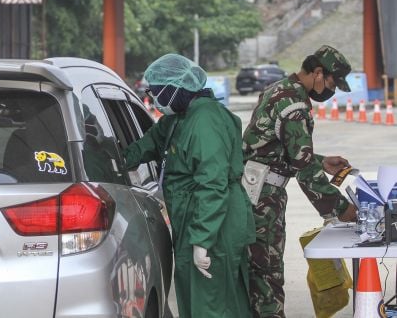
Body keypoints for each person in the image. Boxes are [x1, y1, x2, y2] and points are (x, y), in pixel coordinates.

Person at [123, 53, 255, 317]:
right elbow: (145, 147)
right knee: (198, 303)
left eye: (158, 92)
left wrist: (203, 241)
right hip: (193, 223)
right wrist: (104, 155)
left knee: (211, 307)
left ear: (176, 89)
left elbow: (213, 184)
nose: (155, 100)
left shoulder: (206, 120)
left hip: (214, 227)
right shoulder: (177, 120)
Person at [242, 45, 358, 318]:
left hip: (257, 189)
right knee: (266, 274)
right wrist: (341, 209)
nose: (330, 91)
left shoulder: (279, 88)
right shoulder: (294, 105)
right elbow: (303, 170)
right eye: (331, 83)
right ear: (318, 72)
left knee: (259, 270)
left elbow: (275, 148)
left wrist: (321, 161)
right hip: (263, 197)